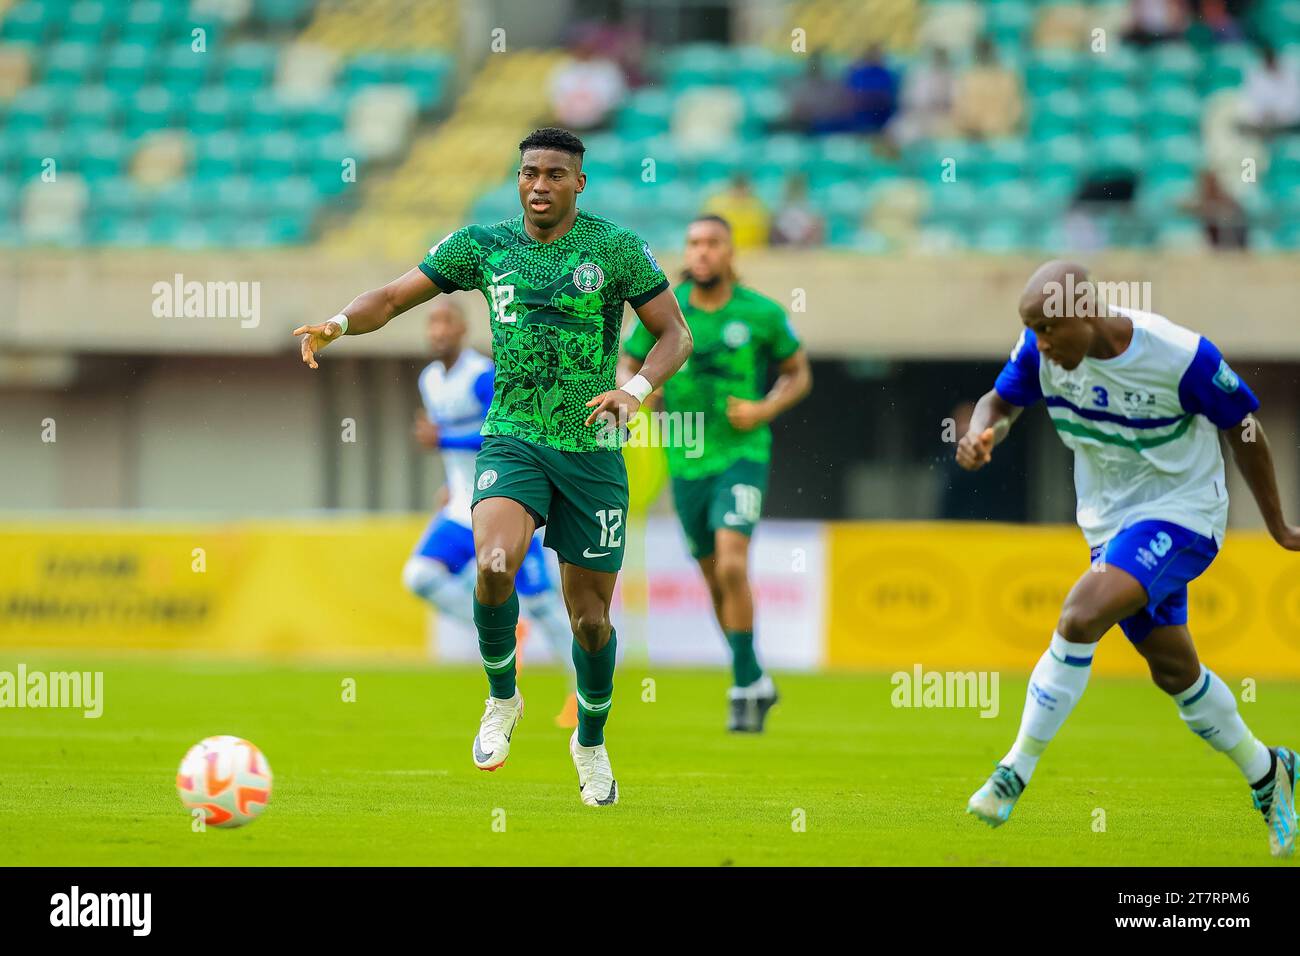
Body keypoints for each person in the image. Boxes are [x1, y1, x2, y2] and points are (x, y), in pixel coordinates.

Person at [293, 127, 692, 807]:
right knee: (494, 564)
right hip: (512, 437)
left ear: (579, 183)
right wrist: (336, 323)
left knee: (590, 619)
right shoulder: (483, 246)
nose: (539, 185)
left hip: (592, 450)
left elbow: (675, 334)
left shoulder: (617, 249)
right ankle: (503, 698)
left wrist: (634, 391)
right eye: (530, 173)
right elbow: (392, 298)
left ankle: (590, 741)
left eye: (555, 175)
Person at [956, 260, 1300, 857]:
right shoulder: (1041, 353)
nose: (1040, 344)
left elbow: (1243, 427)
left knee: (1079, 615)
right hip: (1109, 525)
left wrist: (1279, 524)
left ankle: (1013, 772)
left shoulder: (1178, 355)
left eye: (1048, 330)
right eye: (1032, 331)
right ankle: (1271, 772)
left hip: (1183, 512)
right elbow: (1000, 400)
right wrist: (985, 431)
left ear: (1085, 313)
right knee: (1175, 673)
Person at [620, 214, 812, 732]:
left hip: (741, 454)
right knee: (711, 576)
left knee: (731, 564)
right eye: (694, 243)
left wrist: (765, 409)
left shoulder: (761, 313)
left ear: (730, 254)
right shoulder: (665, 309)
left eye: (712, 243)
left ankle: (744, 681)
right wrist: (642, 388)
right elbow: (627, 363)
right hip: (684, 456)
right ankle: (752, 678)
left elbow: (798, 373)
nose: (701, 252)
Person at [404, 297, 580, 728]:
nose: (438, 330)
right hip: (460, 508)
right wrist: (449, 480)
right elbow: (460, 448)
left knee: (547, 608)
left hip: (504, 505)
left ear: (463, 330)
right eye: (432, 323)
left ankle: (580, 695)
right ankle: (505, 625)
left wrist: (443, 441)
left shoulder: (481, 377)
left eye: (447, 322)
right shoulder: (430, 380)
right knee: (419, 576)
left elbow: (498, 435)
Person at [952, 37, 1023, 139]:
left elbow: (1016, 110)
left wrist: (1000, 125)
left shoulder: (1006, 78)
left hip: (1002, 134)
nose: (985, 55)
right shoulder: (968, 78)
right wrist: (975, 126)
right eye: (982, 52)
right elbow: (960, 112)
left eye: (987, 52)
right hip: (973, 135)